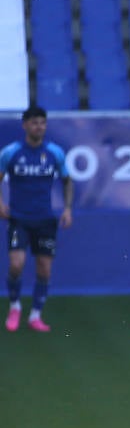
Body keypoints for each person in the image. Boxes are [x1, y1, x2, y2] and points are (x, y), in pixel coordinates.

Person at [1, 106, 71, 333]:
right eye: (34, 123)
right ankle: (14, 306)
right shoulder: (11, 152)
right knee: (16, 264)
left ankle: (35, 315)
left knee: (44, 269)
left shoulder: (54, 153)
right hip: (19, 218)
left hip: (45, 219)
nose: (38, 126)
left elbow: (67, 180)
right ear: (25, 125)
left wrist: (68, 208)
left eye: (42, 123)